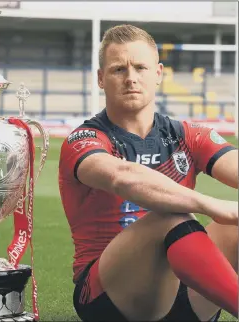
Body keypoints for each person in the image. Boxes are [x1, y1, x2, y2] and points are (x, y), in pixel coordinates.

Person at [58, 24, 238, 321]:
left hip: (184, 292)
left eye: (140, 67)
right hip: (109, 297)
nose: (131, 78)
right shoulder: (85, 139)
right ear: (101, 79)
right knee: (170, 213)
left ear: (158, 74)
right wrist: (212, 205)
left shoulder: (187, 135)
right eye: (118, 70)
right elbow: (122, 176)